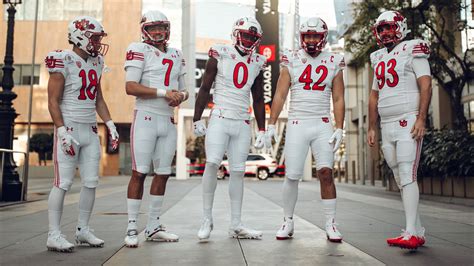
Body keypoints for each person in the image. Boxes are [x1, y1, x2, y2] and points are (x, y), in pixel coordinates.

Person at [265, 17, 345, 242]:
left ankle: (330, 223)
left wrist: (340, 127)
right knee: (291, 175)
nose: (311, 40)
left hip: (322, 122)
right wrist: (271, 124)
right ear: (302, 37)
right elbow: (280, 94)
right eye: (307, 35)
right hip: (297, 121)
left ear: (323, 37)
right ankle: (287, 221)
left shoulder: (334, 60)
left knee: (326, 173)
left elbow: (338, 98)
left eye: (315, 36)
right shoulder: (291, 58)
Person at [45, 16, 119, 252]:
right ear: (79, 36)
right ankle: (53, 235)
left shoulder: (97, 62)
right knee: (63, 183)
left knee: (91, 182)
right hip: (70, 128)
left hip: (89, 129)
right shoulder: (63, 59)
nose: (98, 43)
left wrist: (110, 124)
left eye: (98, 38)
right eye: (94, 38)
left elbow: (98, 98)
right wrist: (61, 131)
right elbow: (52, 101)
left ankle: (83, 230)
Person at [193, 16, 267, 240]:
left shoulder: (257, 61)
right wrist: (198, 117)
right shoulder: (220, 52)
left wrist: (262, 129)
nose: (248, 40)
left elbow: (258, 98)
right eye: (245, 35)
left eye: (252, 37)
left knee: (237, 172)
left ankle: (236, 223)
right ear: (236, 34)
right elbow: (205, 88)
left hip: (242, 121)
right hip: (220, 116)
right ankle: (207, 219)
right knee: (213, 163)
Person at [123, 10, 188, 247]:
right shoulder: (139, 49)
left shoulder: (177, 54)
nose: (158, 32)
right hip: (146, 117)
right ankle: (132, 227)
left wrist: (181, 96)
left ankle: (153, 225)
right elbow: (130, 87)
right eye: (152, 28)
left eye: (161, 27)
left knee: (163, 173)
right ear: (144, 31)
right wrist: (163, 93)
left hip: (167, 119)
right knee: (139, 172)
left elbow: (184, 89)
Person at [367, 10, 432, 250]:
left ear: (401, 27)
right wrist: (372, 126)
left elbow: (426, 84)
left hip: (408, 119)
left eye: (389, 27)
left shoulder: (413, 49)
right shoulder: (378, 57)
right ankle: (417, 229)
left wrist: (421, 118)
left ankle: (411, 233)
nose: (385, 32)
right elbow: (374, 95)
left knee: (407, 172)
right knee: (399, 176)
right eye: (382, 28)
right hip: (387, 124)